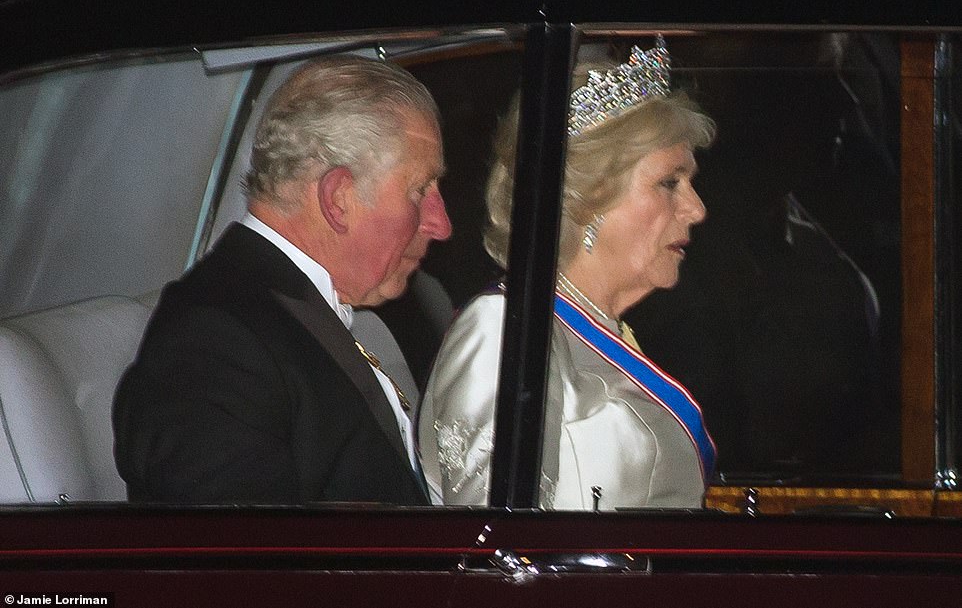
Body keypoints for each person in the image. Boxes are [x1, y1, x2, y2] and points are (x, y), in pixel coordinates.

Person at [113, 55, 452, 504]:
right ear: (339, 199)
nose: (440, 224)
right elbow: (245, 565)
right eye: (419, 190)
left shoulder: (286, 312)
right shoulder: (214, 344)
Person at [418, 37, 717, 510]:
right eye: (669, 182)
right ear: (588, 198)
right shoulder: (503, 333)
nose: (696, 209)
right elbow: (498, 556)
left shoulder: (597, 328)